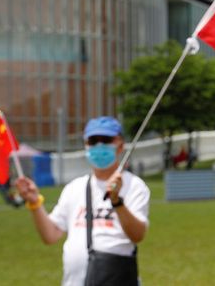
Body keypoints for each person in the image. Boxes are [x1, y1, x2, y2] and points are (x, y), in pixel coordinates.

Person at [15, 117, 150, 286]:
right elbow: (51, 235)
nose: (99, 146)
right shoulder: (74, 188)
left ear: (121, 146)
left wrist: (117, 201)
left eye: (106, 140)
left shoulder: (135, 186)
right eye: (93, 141)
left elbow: (137, 235)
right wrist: (35, 203)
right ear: (86, 146)